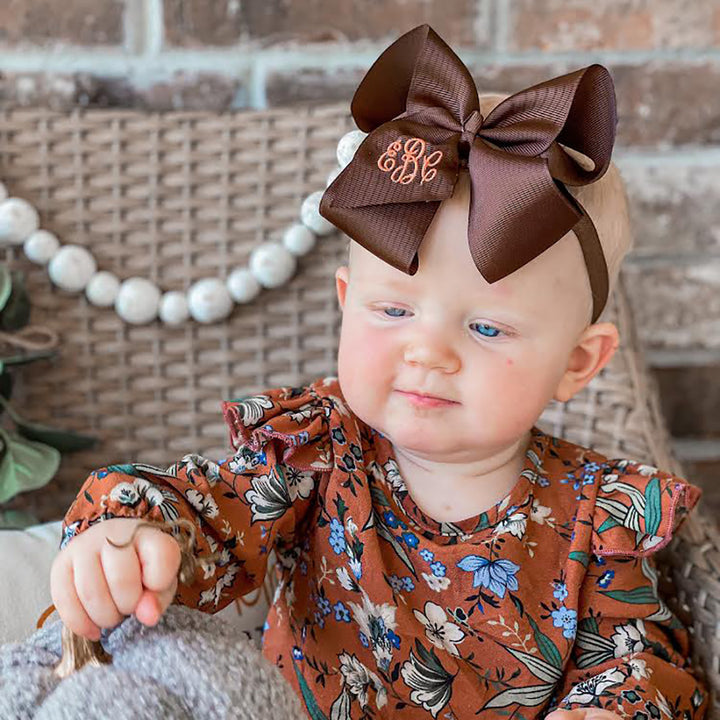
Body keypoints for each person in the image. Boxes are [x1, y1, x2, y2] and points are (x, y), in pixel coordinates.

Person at [49, 25, 709, 720]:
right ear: (346, 304)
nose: (427, 351)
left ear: (578, 363)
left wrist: (618, 707)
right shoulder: (319, 450)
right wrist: (130, 536)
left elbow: (639, 661)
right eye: (393, 309)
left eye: (486, 327)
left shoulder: (595, 517)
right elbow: (205, 511)